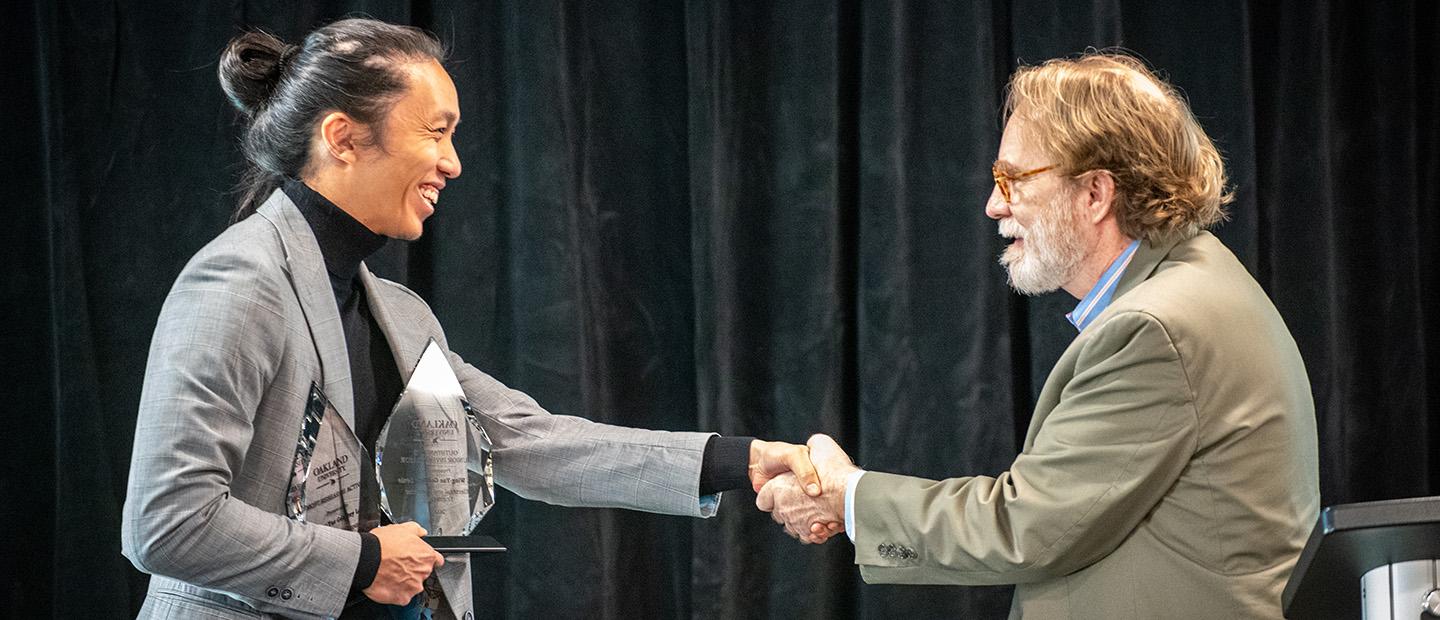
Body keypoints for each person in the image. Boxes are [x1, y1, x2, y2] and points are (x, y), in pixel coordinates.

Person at [121, 18, 828, 620]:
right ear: (342, 138)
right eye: (437, 132)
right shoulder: (238, 282)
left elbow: (532, 442)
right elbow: (168, 522)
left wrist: (746, 459)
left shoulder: (400, 312)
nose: (454, 163)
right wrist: (364, 560)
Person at [757, 53, 1320, 618]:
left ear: (1095, 194)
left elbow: (1026, 527)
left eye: (1012, 179)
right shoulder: (1194, 279)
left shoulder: (1154, 330)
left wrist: (847, 494)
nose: (994, 204)